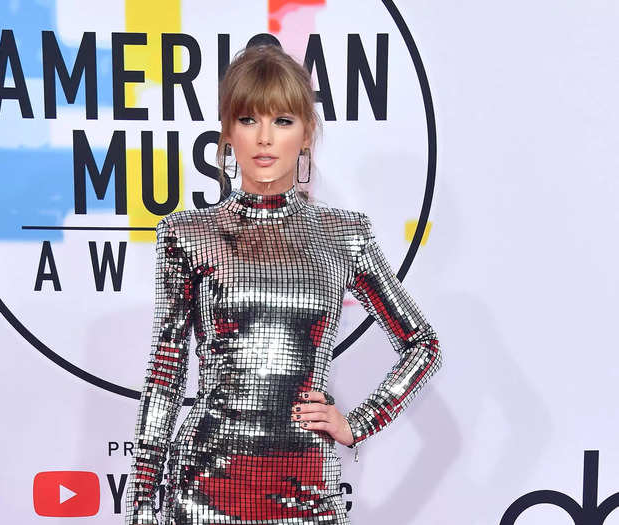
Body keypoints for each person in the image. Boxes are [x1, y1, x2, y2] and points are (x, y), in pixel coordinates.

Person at [125, 42, 443, 525]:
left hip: (307, 491)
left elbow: (423, 344)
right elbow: (165, 375)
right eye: (249, 119)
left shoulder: (343, 234)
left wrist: (359, 422)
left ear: (307, 133)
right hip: (206, 486)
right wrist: (143, 501)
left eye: (282, 121)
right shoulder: (187, 234)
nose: (265, 139)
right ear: (228, 132)